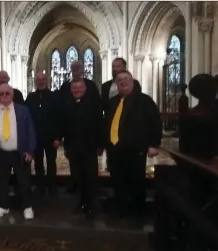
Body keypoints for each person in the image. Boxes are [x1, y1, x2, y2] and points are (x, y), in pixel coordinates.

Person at [104, 70, 162, 219]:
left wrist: (154, 144)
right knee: (118, 181)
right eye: (119, 80)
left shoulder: (144, 101)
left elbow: (155, 122)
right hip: (115, 150)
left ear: (132, 81)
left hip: (135, 149)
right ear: (116, 84)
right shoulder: (112, 102)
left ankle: (138, 212)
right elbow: (107, 124)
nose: (123, 82)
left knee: (136, 181)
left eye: (126, 79)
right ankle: (121, 209)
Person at [0, 84, 36, 220]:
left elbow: (31, 131)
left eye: (7, 93)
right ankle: (3, 206)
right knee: (2, 182)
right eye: (2, 94)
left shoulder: (23, 110)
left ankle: (27, 207)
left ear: (12, 95)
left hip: (20, 152)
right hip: (1, 152)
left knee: (23, 181)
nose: (5, 96)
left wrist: (30, 151)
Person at [59, 78, 104, 215]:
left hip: (89, 148)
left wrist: (100, 145)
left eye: (79, 88)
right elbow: (66, 126)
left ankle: (92, 206)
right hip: (73, 149)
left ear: (85, 89)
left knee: (90, 178)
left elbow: (100, 125)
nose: (77, 90)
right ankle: (82, 203)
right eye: (74, 88)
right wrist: (66, 147)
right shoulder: (68, 104)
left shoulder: (94, 104)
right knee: (78, 177)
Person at [25, 72, 61, 195]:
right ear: (35, 81)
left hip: (51, 137)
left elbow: (59, 118)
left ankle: (52, 186)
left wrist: (57, 137)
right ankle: (40, 186)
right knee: (38, 162)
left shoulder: (54, 96)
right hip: (36, 136)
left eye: (43, 79)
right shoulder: (30, 97)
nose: (40, 81)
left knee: (51, 162)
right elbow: (27, 118)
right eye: (38, 79)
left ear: (47, 81)